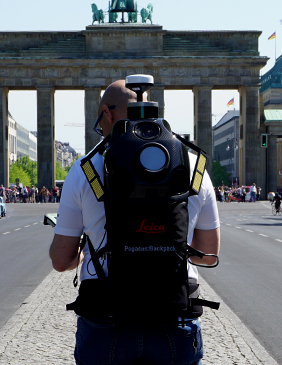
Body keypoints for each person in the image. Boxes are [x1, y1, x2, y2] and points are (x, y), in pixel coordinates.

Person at [49, 79, 219, 365]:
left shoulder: (84, 169)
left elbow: (61, 260)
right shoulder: (194, 165)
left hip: (106, 315)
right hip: (173, 314)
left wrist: (85, 250)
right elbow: (208, 253)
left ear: (107, 113)